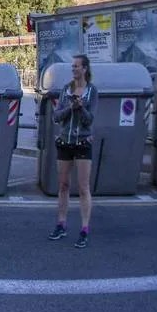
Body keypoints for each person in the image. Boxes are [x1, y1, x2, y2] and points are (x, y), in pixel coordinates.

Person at [49, 54, 97, 249]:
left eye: (77, 66)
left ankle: (84, 229)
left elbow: (90, 120)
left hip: (83, 142)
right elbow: (56, 117)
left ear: (85, 69)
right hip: (65, 142)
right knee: (63, 185)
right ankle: (61, 224)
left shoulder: (92, 91)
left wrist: (81, 108)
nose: (74, 69)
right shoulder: (66, 90)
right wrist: (71, 107)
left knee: (83, 187)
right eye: (73, 66)